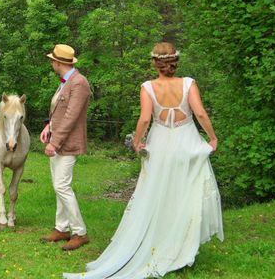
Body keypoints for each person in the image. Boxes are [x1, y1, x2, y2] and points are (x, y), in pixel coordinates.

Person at [64, 42, 224, 278]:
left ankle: (160, 240)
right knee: (184, 194)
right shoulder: (188, 83)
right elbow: (199, 113)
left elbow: (144, 119)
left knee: (157, 194)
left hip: (160, 145)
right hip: (187, 144)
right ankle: (180, 245)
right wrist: (212, 137)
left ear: (155, 63)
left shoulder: (148, 87)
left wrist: (138, 142)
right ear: (175, 61)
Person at [40, 44, 91, 251]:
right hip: (58, 139)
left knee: (62, 185)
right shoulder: (66, 82)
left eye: (52, 59)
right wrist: (48, 126)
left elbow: (71, 117)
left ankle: (80, 232)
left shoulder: (79, 83)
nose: (51, 62)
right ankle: (61, 228)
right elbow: (59, 111)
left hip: (68, 143)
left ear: (59, 63)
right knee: (58, 186)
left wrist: (54, 142)